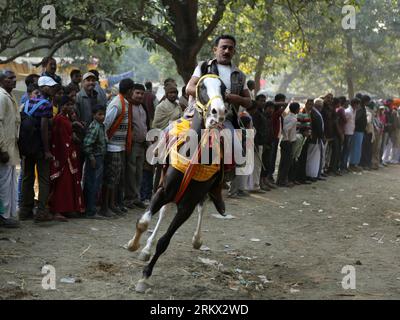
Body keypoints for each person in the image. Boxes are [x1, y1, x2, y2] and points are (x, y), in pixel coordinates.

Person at [185, 35, 253, 206]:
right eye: (223, 47)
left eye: (230, 48)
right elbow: (189, 88)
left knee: (236, 148)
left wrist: (232, 97)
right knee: (173, 139)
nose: (227, 51)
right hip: (200, 114)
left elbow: (249, 101)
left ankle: (217, 184)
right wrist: (213, 95)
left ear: (234, 51)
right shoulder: (203, 66)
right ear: (215, 49)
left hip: (225, 118)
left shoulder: (239, 75)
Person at [19, 76, 58, 222]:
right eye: (51, 86)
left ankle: (25, 210)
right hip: (40, 147)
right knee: (43, 179)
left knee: (28, 177)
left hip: (28, 147)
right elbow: (43, 127)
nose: (53, 89)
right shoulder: (46, 104)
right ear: (44, 88)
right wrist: (47, 150)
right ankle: (41, 211)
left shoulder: (28, 102)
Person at [101, 78, 135, 217]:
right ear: (129, 91)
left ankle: (113, 204)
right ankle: (105, 207)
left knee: (117, 178)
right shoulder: (117, 104)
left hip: (119, 146)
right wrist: (105, 142)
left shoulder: (125, 103)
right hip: (113, 146)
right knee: (111, 178)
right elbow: (106, 123)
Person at [48, 96, 85, 221]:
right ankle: (57, 210)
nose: (71, 107)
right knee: (62, 184)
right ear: (62, 106)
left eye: (71, 105)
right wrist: (71, 141)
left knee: (69, 184)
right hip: (63, 155)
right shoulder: (59, 119)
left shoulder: (67, 119)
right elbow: (59, 139)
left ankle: (68, 208)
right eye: (68, 105)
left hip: (70, 154)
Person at [0, 70, 20, 228]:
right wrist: (2, 149)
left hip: (12, 147)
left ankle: (9, 214)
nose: (14, 80)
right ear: (2, 81)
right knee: (4, 184)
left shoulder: (10, 96)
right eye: (10, 78)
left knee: (9, 182)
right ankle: (3, 216)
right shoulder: (1, 97)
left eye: (14, 78)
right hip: (5, 148)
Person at [124, 84, 149, 209]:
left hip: (142, 145)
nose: (139, 96)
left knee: (139, 172)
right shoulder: (128, 107)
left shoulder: (142, 107)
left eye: (142, 94)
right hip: (132, 145)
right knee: (130, 172)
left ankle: (136, 197)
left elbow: (145, 125)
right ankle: (129, 198)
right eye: (137, 93)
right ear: (132, 93)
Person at [83, 105, 107, 219]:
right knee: (92, 184)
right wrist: (91, 158)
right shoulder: (95, 127)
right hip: (95, 158)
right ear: (94, 115)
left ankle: (91, 208)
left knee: (95, 185)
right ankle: (90, 210)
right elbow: (87, 145)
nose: (102, 117)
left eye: (103, 114)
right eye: (99, 114)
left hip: (99, 158)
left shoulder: (101, 126)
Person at [277, 102, 300, 187]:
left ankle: (280, 180)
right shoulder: (294, 119)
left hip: (284, 141)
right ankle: (283, 181)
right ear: (297, 109)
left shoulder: (287, 117)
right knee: (287, 163)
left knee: (283, 162)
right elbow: (286, 129)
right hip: (287, 142)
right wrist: (288, 139)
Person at [249, 94, 268, 193]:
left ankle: (254, 185)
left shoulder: (261, 113)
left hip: (260, 143)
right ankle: (255, 186)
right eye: (261, 101)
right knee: (256, 166)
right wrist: (255, 143)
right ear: (256, 101)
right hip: (255, 143)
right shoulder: (255, 114)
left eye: (264, 101)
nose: (263, 103)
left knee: (257, 166)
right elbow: (254, 130)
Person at [269, 93, 287, 184]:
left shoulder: (279, 111)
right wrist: (283, 106)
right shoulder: (273, 110)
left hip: (277, 137)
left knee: (273, 157)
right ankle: (268, 176)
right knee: (270, 158)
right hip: (272, 138)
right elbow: (275, 115)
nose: (284, 102)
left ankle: (270, 175)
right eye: (282, 100)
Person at [306, 98, 325, 181]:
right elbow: (318, 128)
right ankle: (311, 175)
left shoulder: (315, 113)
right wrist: (321, 136)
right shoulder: (315, 114)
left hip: (315, 138)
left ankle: (314, 174)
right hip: (315, 139)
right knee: (313, 157)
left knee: (314, 157)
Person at [260, 100, 276, 191]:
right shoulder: (262, 117)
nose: (271, 110)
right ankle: (261, 182)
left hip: (270, 143)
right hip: (264, 144)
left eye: (272, 108)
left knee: (268, 163)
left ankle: (265, 180)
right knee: (263, 164)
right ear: (265, 109)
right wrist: (265, 143)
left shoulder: (270, 118)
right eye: (269, 108)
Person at [349, 95, 367, 172]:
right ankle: (352, 164)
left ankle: (355, 163)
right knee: (355, 148)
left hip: (360, 131)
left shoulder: (362, 108)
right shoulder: (359, 109)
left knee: (358, 148)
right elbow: (356, 119)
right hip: (357, 131)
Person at [340, 98, 359, 173]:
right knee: (345, 150)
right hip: (347, 133)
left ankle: (345, 166)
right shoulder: (348, 111)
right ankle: (342, 167)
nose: (358, 106)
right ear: (354, 104)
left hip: (351, 132)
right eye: (357, 104)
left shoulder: (354, 111)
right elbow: (343, 122)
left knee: (347, 150)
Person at [371, 105, 384, 170]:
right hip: (375, 134)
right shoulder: (373, 117)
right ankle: (373, 163)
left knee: (378, 149)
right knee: (374, 148)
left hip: (379, 134)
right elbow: (375, 125)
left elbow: (381, 125)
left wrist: (381, 127)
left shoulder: (379, 118)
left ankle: (376, 163)